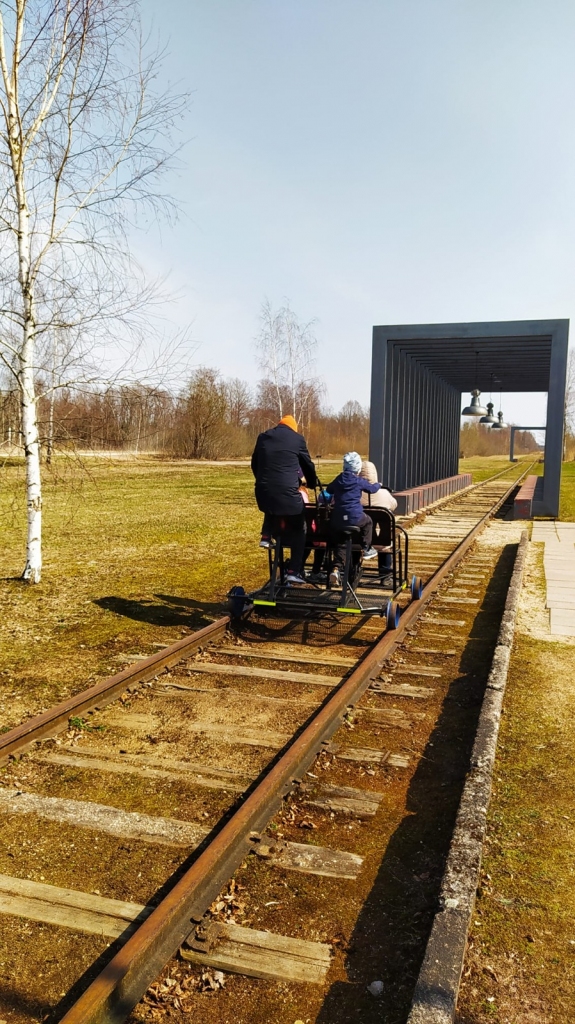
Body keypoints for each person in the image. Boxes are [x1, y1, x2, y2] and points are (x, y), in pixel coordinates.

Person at [251, 414, 317, 584]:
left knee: (274, 507)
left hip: (263, 493)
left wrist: (262, 480)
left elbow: (254, 463)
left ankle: (266, 536)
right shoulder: (297, 439)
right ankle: (294, 570)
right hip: (288, 496)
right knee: (300, 528)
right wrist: (311, 482)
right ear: (293, 427)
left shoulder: (263, 436)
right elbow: (308, 465)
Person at [323, 451, 382, 587]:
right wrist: (378, 484)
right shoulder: (358, 480)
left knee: (342, 543)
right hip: (355, 517)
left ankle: (336, 569)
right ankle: (366, 547)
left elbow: (330, 490)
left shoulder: (339, 479)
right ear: (358, 468)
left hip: (338, 519)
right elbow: (372, 489)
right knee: (368, 522)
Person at [360, 459, 397, 582]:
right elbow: (394, 505)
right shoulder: (384, 493)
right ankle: (385, 575)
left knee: (354, 539)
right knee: (386, 543)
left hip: (359, 539)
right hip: (381, 539)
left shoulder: (354, 493)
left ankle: (351, 572)